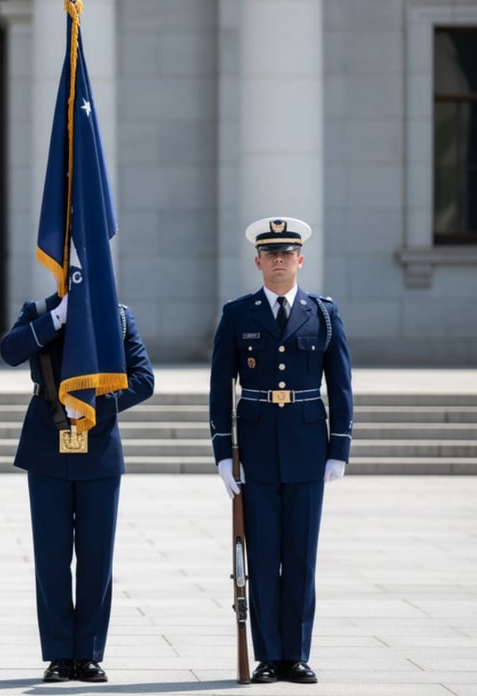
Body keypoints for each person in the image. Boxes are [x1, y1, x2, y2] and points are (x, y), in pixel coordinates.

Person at [209, 216, 353, 685]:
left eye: (286, 253)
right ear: (257, 261)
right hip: (256, 448)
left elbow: (341, 384)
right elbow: (218, 387)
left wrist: (340, 448)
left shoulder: (324, 313)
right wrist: (222, 453)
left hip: (308, 446)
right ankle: (268, 656)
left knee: (301, 556)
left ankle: (297, 653)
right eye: (270, 253)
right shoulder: (238, 313)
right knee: (264, 555)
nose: (278, 260)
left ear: (300, 260)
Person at [0, 295, 154, 683]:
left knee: (96, 557)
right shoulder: (38, 313)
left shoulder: (116, 315)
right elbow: (10, 351)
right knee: (51, 558)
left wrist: (94, 406)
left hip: (97, 445)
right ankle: (57, 653)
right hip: (47, 443)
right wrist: (54, 319)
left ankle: (87, 653)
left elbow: (144, 379)